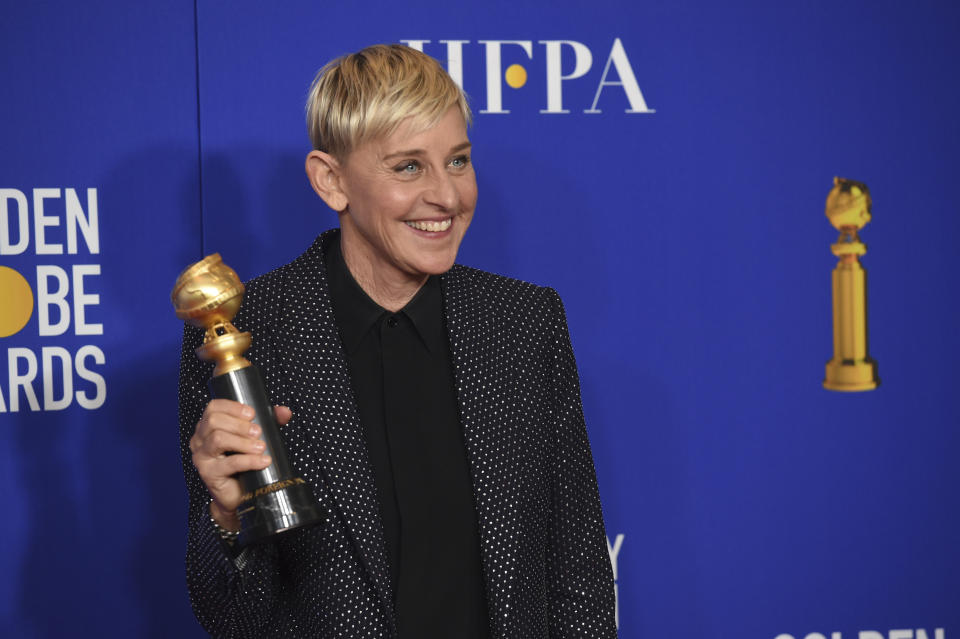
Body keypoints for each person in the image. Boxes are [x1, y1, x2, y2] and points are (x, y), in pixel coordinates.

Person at [178, 43, 616, 639]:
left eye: (458, 161)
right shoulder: (252, 334)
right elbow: (232, 617)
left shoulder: (523, 322)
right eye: (409, 167)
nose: (448, 196)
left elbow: (579, 571)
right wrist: (227, 515)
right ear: (331, 181)